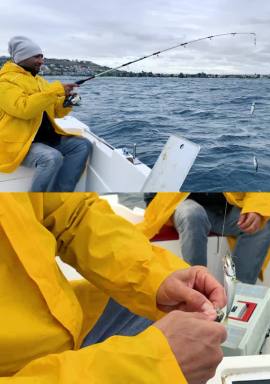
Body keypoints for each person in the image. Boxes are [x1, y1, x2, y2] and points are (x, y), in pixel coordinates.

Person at [0, 193, 228, 383]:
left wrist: (158, 278)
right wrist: (151, 367)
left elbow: (73, 213)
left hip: (67, 323)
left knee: (179, 311)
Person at [0, 36, 92, 191]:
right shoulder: (5, 82)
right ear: (23, 57)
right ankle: (35, 205)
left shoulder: (40, 82)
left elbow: (55, 111)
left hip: (46, 139)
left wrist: (66, 102)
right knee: (51, 157)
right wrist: (55, 90)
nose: (41, 61)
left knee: (82, 145)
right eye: (37, 56)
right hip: (20, 144)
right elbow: (24, 109)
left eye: (42, 56)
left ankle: (59, 196)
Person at [140, 193, 270, 284]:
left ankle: (239, 296)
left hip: (227, 210)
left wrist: (255, 208)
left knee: (269, 217)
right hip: (186, 206)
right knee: (193, 215)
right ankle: (197, 294)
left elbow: (256, 176)